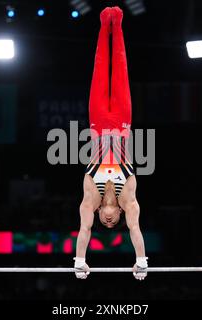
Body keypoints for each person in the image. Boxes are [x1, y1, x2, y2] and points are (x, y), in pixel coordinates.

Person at [73, 7, 148, 281]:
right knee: (120, 65)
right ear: (119, 213)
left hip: (97, 121)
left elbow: (85, 230)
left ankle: (105, 23)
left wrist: (80, 260)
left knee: (100, 65)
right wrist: (141, 260)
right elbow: (135, 230)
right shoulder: (129, 198)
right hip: (122, 121)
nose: (109, 221)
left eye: (108, 222)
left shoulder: (89, 200)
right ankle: (117, 23)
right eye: (113, 221)